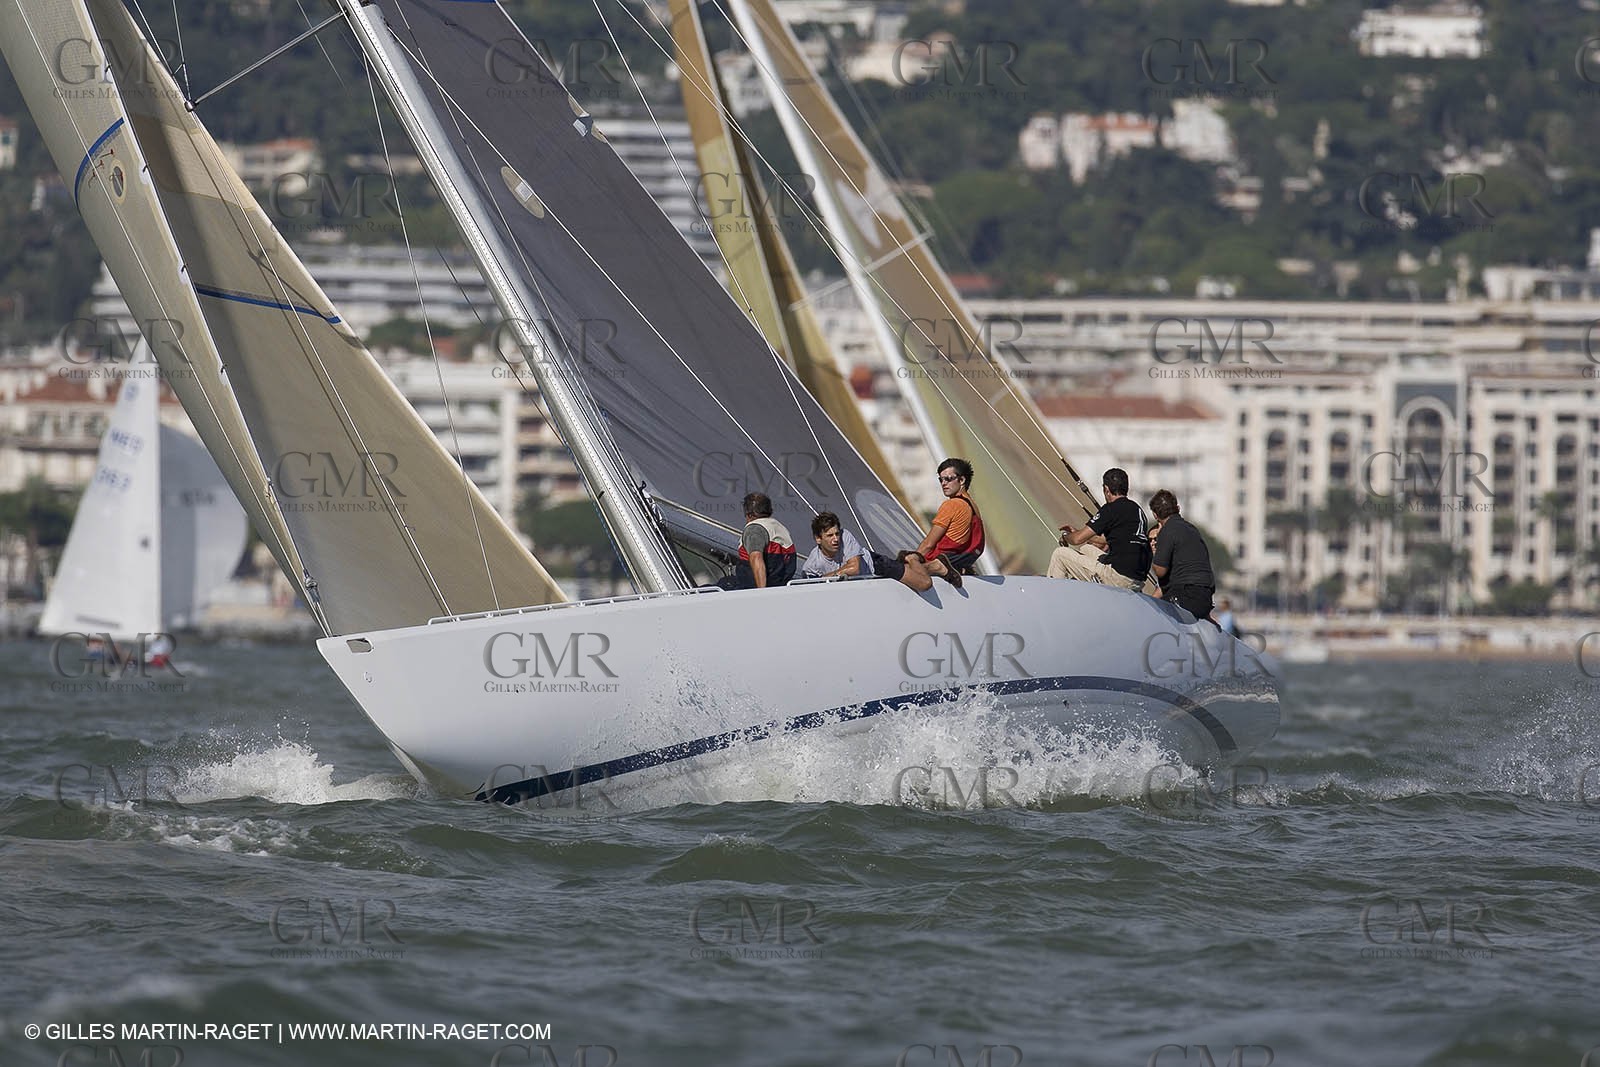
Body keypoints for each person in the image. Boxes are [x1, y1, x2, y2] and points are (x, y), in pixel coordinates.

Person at [1047, 468, 1150, 590]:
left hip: (1117, 578)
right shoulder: (1137, 510)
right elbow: (1111, 539)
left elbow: (1076, 540)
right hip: (1136, 580)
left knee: (1060, 554)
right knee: (1087, 549)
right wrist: (1078, 532)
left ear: (1106, 489)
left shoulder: (1111, 509)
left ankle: (1054, 598)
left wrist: (1066, 535)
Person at [802, 511, 936, 592]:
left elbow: (854, 568)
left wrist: (827, 577)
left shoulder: (845, 535)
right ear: (818, 539)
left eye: (836, 534)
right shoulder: (811, 566)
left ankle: (912, 558)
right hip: (860, 583)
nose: (836, 539)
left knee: (924, 584)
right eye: (830, 536)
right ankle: (925, 566)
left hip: (876, 565)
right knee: (908, 572)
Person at [1148, 489, 1216, 626]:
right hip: (1205, 598)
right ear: (1178, 508)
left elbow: (1160, 571)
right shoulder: (1192, 529)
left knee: (1152, 617)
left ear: (1155, 515)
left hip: (1186, 596)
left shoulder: (1167, 531)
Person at [912, 457, 983, 580]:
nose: (944, 483)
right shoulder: (973, 505)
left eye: (949, 479)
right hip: (960, 562)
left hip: (939, 562)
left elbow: (928, 545)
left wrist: (913, 561)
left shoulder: (952, 505)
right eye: (941, 479)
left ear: (961, 480)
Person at [718, 492, 796, 590]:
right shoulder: (779, 528)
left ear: (749, 514)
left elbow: (756, 558)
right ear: (770, 511)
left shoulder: (754, 530)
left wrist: (761, 593)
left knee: (717, 586)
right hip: (780, 584)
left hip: (752, 587)